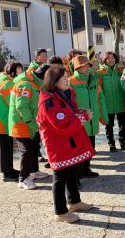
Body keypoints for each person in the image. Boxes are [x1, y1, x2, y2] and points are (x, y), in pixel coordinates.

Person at [37, 66, 96, 223]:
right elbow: (62, 125)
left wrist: (80, 113)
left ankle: (74, 201)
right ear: (54, 81)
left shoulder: (64, 94)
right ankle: (60, 211)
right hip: (57, 144)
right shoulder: (48, 101)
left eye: (66, 76)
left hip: (67, 142)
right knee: (60, 177)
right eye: (63, 77)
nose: (67, 79)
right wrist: (82, 118)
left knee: (71, 172)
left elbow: (69, 115)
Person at [9, 64, 50, 190]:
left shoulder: (35, 84)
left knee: (33, 147)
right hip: (21, 124)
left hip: (32, 123)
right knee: (26, 151)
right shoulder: (25, 84)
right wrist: (31, 123)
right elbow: (22, 106)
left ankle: (33, 171)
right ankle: (23, 178)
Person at [69, 55, 107, 178]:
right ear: (77, 68)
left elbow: (100, 99)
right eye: (83, 66)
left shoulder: (94, 81)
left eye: (87, 66)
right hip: (79, 121)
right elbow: (68, 102)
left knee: (91, 146)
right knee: (80, 147)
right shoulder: (71, 81)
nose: (86, 68)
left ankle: (86, 169)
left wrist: (103, 116)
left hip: (92, 119)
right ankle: (78, 171)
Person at [96, 51, 125, 152]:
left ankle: (122, 141)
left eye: (112, 58)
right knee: (109, 125)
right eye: (108, 58)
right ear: (105, 60)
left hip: (120, 101)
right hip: (107, 103)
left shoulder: (121, 70)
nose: (111, 60)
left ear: (116, 59)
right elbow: (99, 89)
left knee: (122, 124)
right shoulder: (100, 72)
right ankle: (111, 144)